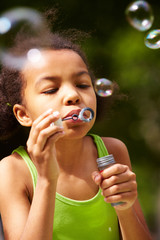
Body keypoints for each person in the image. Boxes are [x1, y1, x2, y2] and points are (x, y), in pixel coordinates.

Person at [0, 18, 152, 240]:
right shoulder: (12, 171)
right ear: (23, 114)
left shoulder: (112, 152)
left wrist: (125, 207)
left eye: (82, 85)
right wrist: (46, 181)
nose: (73, 96)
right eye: (51, 89)